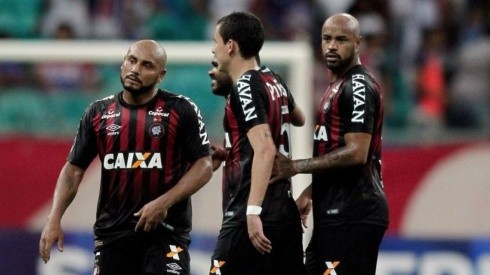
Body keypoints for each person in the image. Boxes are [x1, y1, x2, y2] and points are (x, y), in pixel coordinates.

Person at [39, 39, 213, 275]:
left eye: (146, 65)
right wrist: (54, 218)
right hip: (113, 236)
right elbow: (73, 169)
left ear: (160, 75)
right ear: (123, 63)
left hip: (166, 234)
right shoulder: (98, 113)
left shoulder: (180, 109)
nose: (135, 70)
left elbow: (204, 165)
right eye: (132, 61)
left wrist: (163, 203)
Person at [272, 13, 389, 275]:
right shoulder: (336, 85)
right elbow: (336, 152)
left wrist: (295, 167)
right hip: (332, 212)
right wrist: (312, 191)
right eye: (327, 38)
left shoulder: (358, 85)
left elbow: (357, 152)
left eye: (341, 39)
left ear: (358, 43)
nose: (332, 46)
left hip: (354, 212)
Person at [209, 12, 306, 275]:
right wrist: (235, 151)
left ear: (230, 46)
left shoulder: (244, 87)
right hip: (285, 212)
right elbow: (299, 118)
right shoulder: (273, 79)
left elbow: (265, 148)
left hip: (251, 210)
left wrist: (252, 211)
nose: (214, 49)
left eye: (216, 42)